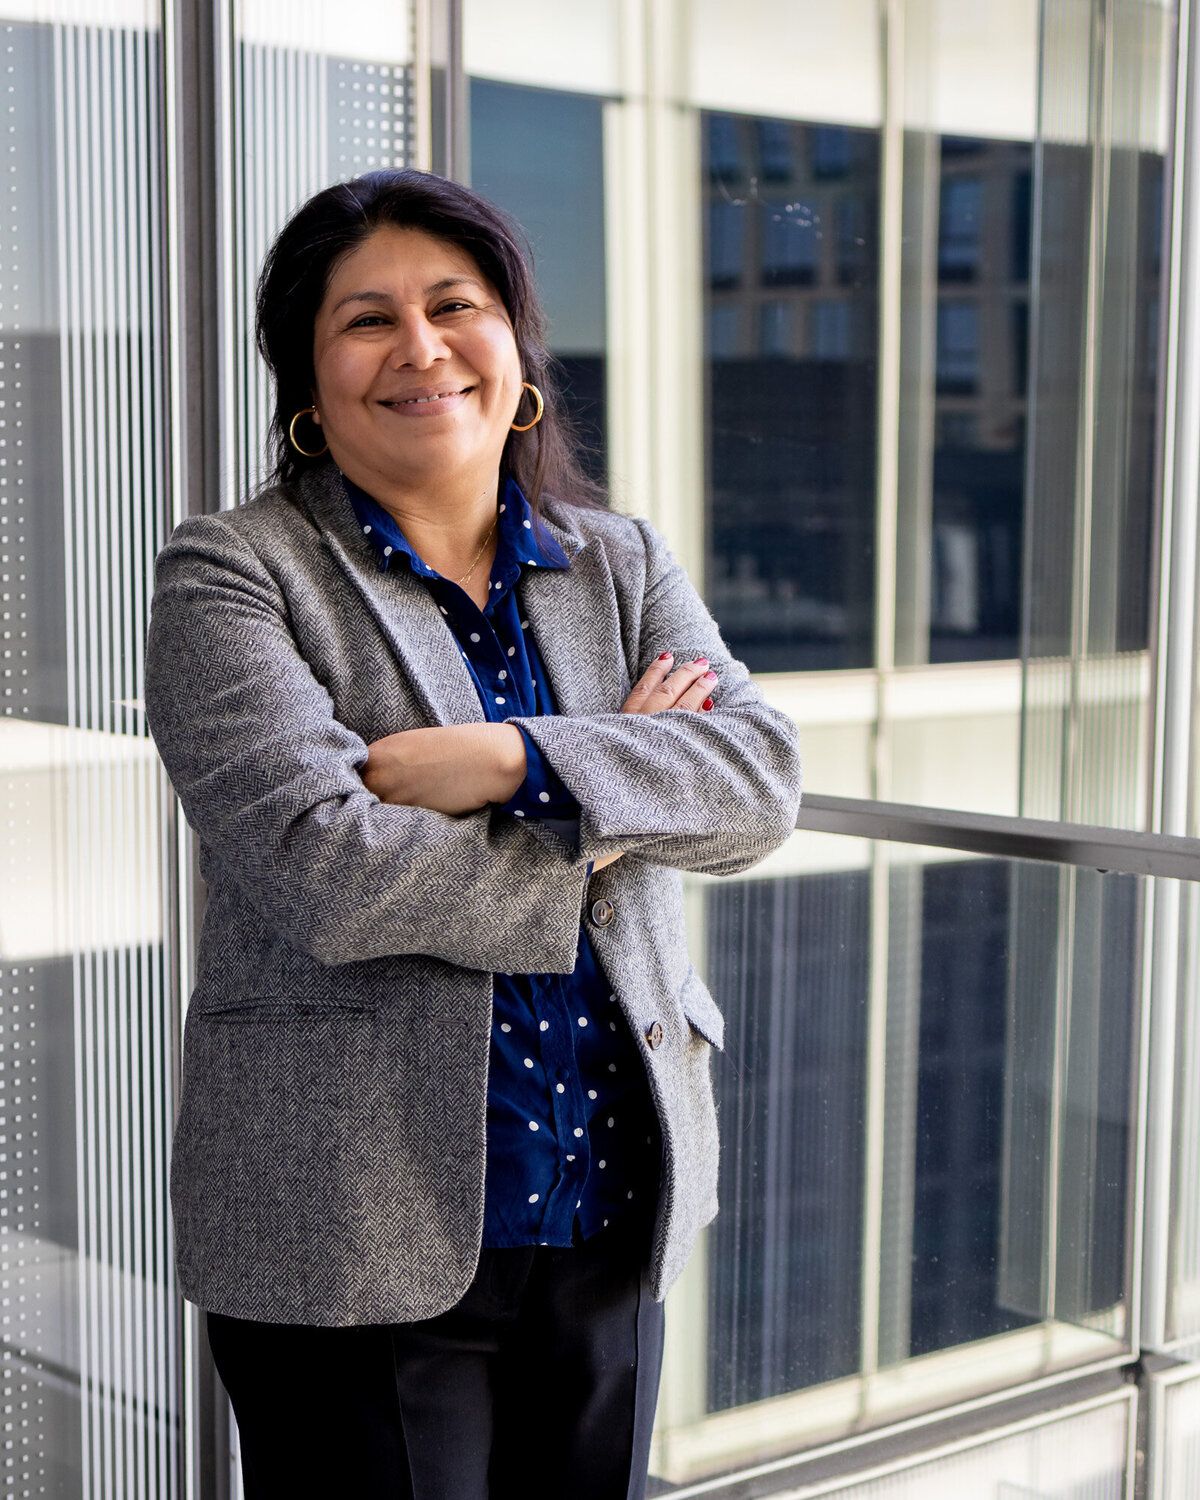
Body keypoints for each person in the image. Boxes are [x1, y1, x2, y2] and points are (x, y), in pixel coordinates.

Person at [144, 168, 801, 1500]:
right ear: (309, 385)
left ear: (517, 347)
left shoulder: (618, 562)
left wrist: (505, 758)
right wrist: (615, 811)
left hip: (613, 1200)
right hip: (351, 1231)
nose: (422, 347)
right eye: (365, 320)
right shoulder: (232, 573)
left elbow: (757, 780)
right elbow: (329, 870)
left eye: (456, 304)